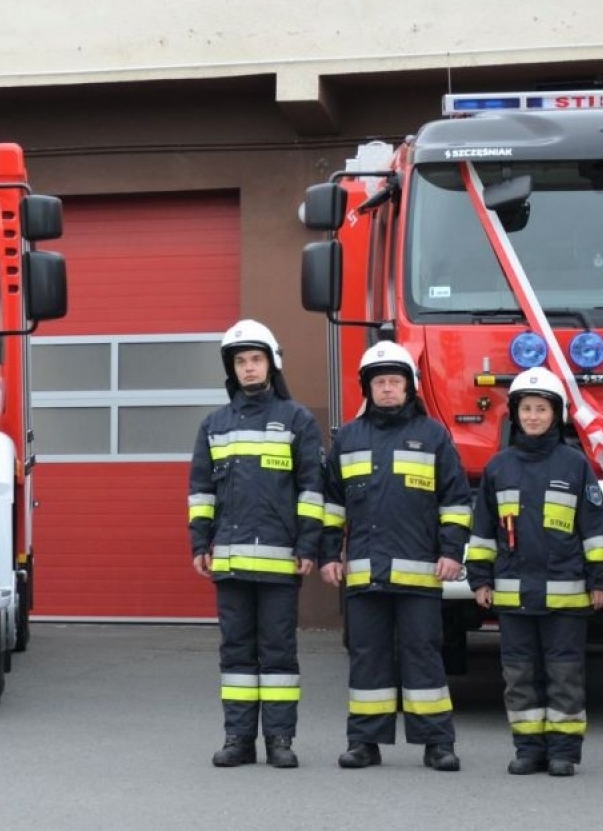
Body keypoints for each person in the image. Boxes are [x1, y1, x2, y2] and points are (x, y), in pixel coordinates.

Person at [321, 341, 471, 772]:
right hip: (365, 575)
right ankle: (364, 742)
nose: (388, 389)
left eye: (395, 382)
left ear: (410, 388)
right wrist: (330, 554)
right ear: (367, 388)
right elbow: (332, 504)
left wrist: (451, 551)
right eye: (380, 382)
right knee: (368, 656)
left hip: (421, 574)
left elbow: (456, 500)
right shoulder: (347, 439)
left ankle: (437, 743)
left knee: (423, 655)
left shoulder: (434, 436)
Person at [187, 319, 325, 770]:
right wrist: (199, 543)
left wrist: (308, 545)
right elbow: (201, 492)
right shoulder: (214, 425)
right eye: (241, 361)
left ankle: (280, 740)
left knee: (279, 653)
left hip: (280, 562)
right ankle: (238, 739)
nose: (248, 368)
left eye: (255, 359)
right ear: (233, 368)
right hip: (228, 563)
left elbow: (310, 489)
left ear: (272, 363)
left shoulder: (297, 420)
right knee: (237, 655)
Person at [467, 368, 603, 777]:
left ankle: (564, 752)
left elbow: (596, 528)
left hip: (566, 601)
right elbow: (483, 530)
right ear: (515, 414)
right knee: (519, 675)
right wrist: (479, 579)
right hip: (514, 599)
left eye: (541, 409)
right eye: (527, 409)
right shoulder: (499, 467)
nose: (533, 416)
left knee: (564, 674)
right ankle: (528, 749)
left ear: (557, 414)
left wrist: (601, 580)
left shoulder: (575, 465)